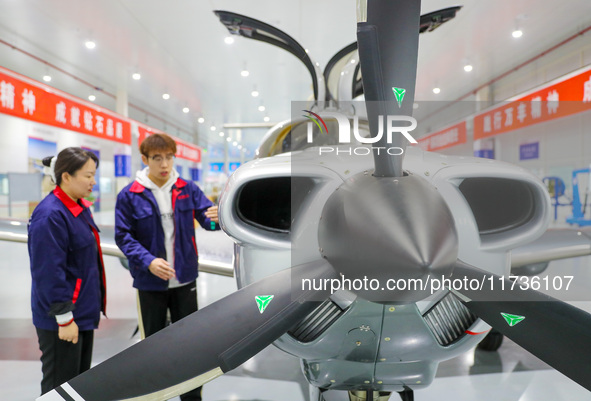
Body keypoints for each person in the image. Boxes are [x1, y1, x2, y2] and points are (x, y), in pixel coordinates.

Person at [115, 133, 218, 401]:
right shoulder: (130, 195)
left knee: (190, 347)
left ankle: (191, 397)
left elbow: (209, 221)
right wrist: (148, 261)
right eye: (157, 158)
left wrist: (221, 216)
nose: (164, 164)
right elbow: (123, 237)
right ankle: (156, 395)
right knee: (153, 348)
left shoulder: (187, 188)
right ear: (145, 159)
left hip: (184, 282)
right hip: (150, 285)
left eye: (169, 157)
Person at [29, 147, 106, 395]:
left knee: (77, 386)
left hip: (81, 313)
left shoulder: (78, 207)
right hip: (61, 320)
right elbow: (48, 273)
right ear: (66, 177)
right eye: (88, 175)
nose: (93, 181)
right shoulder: (50, 215)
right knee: (58, 389)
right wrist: (64, 318)